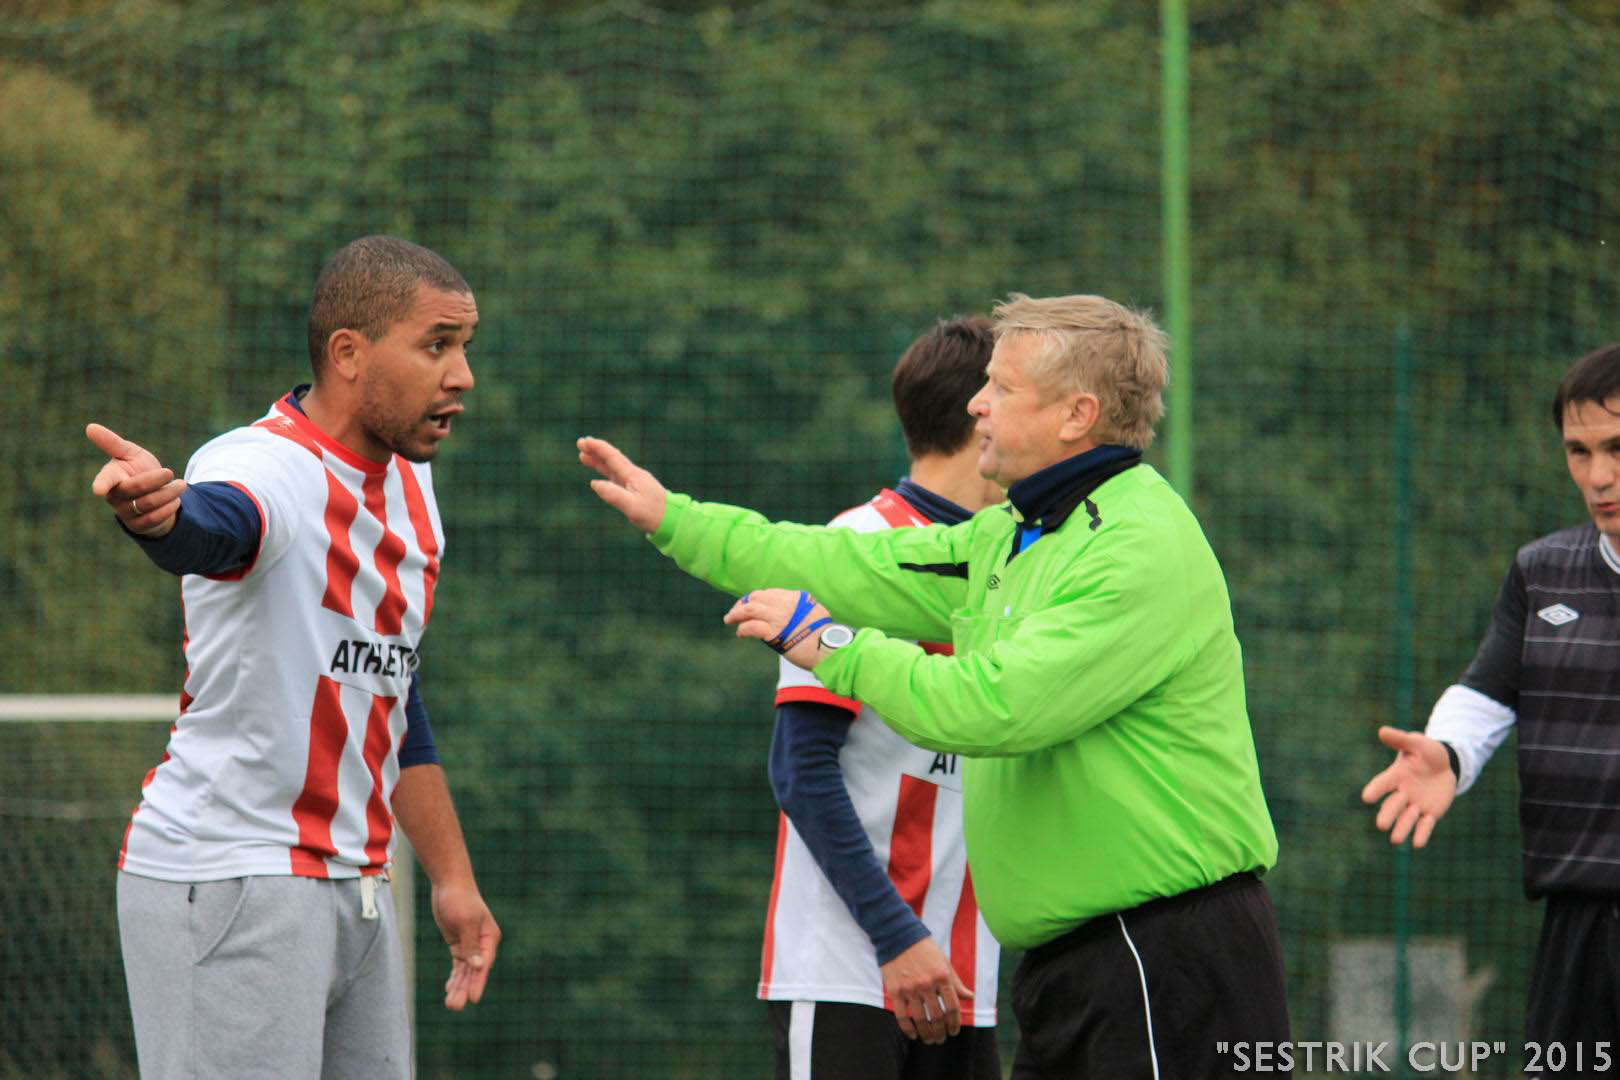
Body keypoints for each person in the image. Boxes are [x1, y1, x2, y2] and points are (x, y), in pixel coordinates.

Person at [581, 292, 1289, 1078]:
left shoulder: (1134, 545)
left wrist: (833, 646)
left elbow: (992, 705)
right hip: (1072, 966)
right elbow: (842, 563)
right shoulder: (1015, 534)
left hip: (1165, 957)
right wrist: (676, 520)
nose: (977, 404)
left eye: (1002, 388)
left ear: (1077, 415)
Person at [87, 234, 499, 1079]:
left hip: (359, 888)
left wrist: (452, 878)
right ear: (348, 354)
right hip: (233, 875)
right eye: (436, 345)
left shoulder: (414, 489)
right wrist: (157, 518)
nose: (461, 375)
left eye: (463, 346)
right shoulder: (265, 465)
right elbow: (217, 524)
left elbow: (390, 690)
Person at [1362, 342, 1620, 1070]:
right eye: (1578, 451)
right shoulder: (1542, 572)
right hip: (1578, 930)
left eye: (1616, 448)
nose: (1598, 476)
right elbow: (1487, 691)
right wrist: (1446, 754)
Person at [761, 316, 1005, 1080]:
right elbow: (800, 771)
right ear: (982, 416)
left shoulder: (1015, 565)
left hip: (969, 984)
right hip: (849, 972)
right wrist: (897, 936)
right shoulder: (859, 546)